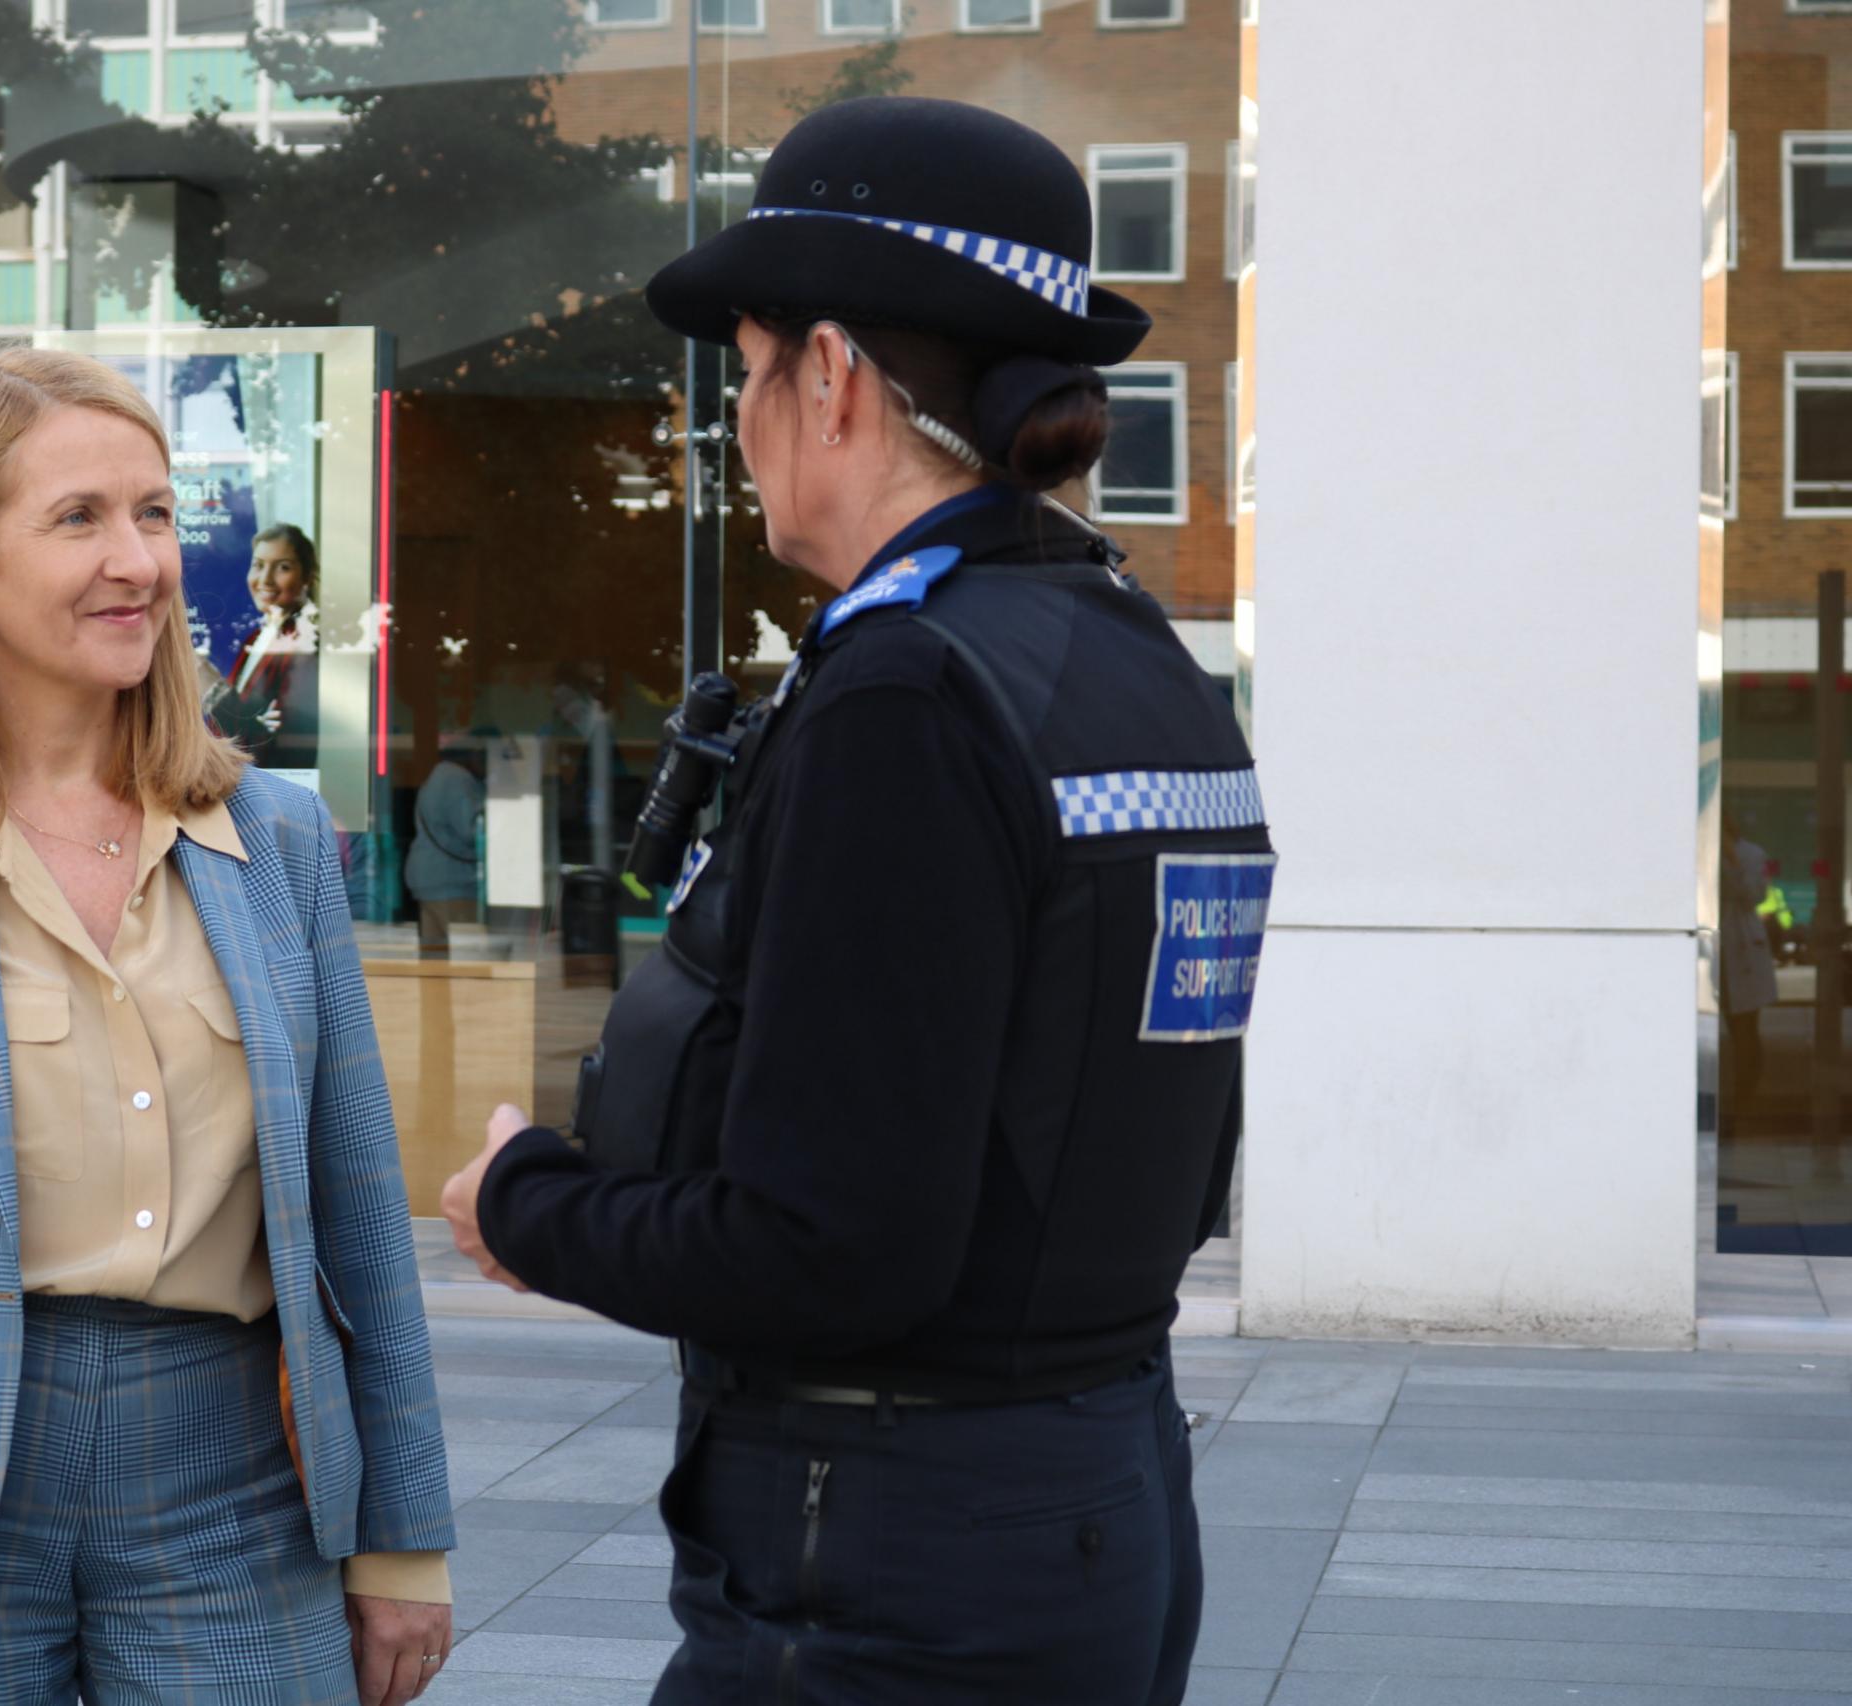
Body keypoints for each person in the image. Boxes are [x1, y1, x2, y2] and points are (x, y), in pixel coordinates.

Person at [439, 97, 1270, 1705]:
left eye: (744, 373)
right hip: (1089, 1499)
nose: (733, 421)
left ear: (828, 378)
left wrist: (524, 1204)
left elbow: (836, 1250)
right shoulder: (1132, 658)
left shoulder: (909, 693)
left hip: (896, 1565)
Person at [0, 349, 456, 1706]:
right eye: (80, 518)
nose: (140, 560)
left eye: (156, 513)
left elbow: (356, 1214)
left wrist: (403, 1533)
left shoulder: (275, 839)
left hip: (234, 1481)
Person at [216, 523, 321, 770]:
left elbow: (283, 732)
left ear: (306, 577)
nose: (265, 579)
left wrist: (214, 693)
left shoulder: (305, 642)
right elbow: (251, 721)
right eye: (258, 565)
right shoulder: (255, 639)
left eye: (283, 567)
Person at [1722, 808, 1779, 1125]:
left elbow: (1754, 896)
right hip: (1718, 946)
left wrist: (1732, 865)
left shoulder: (1751, 854)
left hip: (1742, 946)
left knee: (1745, 1030)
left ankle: (1746, 1096)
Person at [403, 744, 484, 958]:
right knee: (466, 957)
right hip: (453, 881)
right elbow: (471, 830)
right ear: (472, 754)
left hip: (427, 880)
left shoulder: (433, 779)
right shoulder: (458, 779)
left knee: (434, 960)